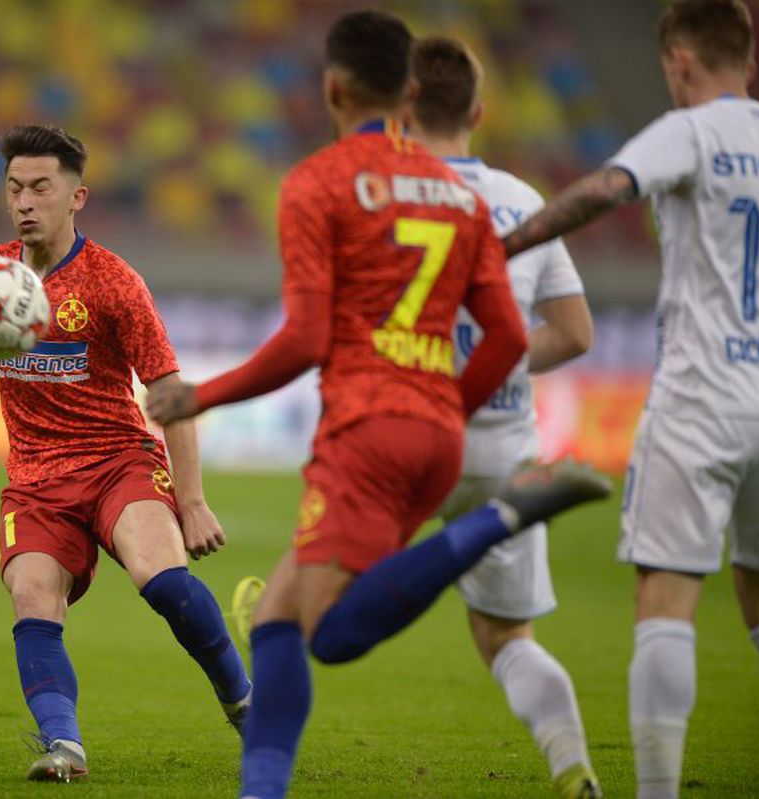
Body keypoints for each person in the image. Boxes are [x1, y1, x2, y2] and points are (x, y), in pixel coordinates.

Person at [147, 11, 612, 799]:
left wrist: (202, 394)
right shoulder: (462, 197)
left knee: (328, 631)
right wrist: (448, 409)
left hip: (367, 431)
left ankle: (502, 516)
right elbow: (507, 334)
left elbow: (306, 337)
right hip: (441, 431)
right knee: (276, 617)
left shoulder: (318, 182)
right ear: (406, 91)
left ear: (332, 89)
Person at [0, 124, 251, 783]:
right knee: (32, 597)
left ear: (76, 197)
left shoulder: (113, 283)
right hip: (36, 481)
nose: (24, 202)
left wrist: (192, 499)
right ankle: (64, 746)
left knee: (163, 580)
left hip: (118, 460)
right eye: (14, 188)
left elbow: (169, 390)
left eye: (41, 187)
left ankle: (243, 700)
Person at [502, 2, 759, 796]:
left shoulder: (690, 132)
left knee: (665, 594)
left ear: (680, 61)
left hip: (701, 394)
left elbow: (607, 189)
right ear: (749, 58)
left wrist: (505, 245)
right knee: (756, 585)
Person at [405, 37, 601, 799]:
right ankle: (571, 760)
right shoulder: (523, 198)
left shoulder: (383, 191)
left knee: (307, 600)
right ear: (479, 113)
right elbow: (575, 332)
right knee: (506, 637)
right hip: (503, 446)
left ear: (404, 108)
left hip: (404, 439)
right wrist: (497, 366)